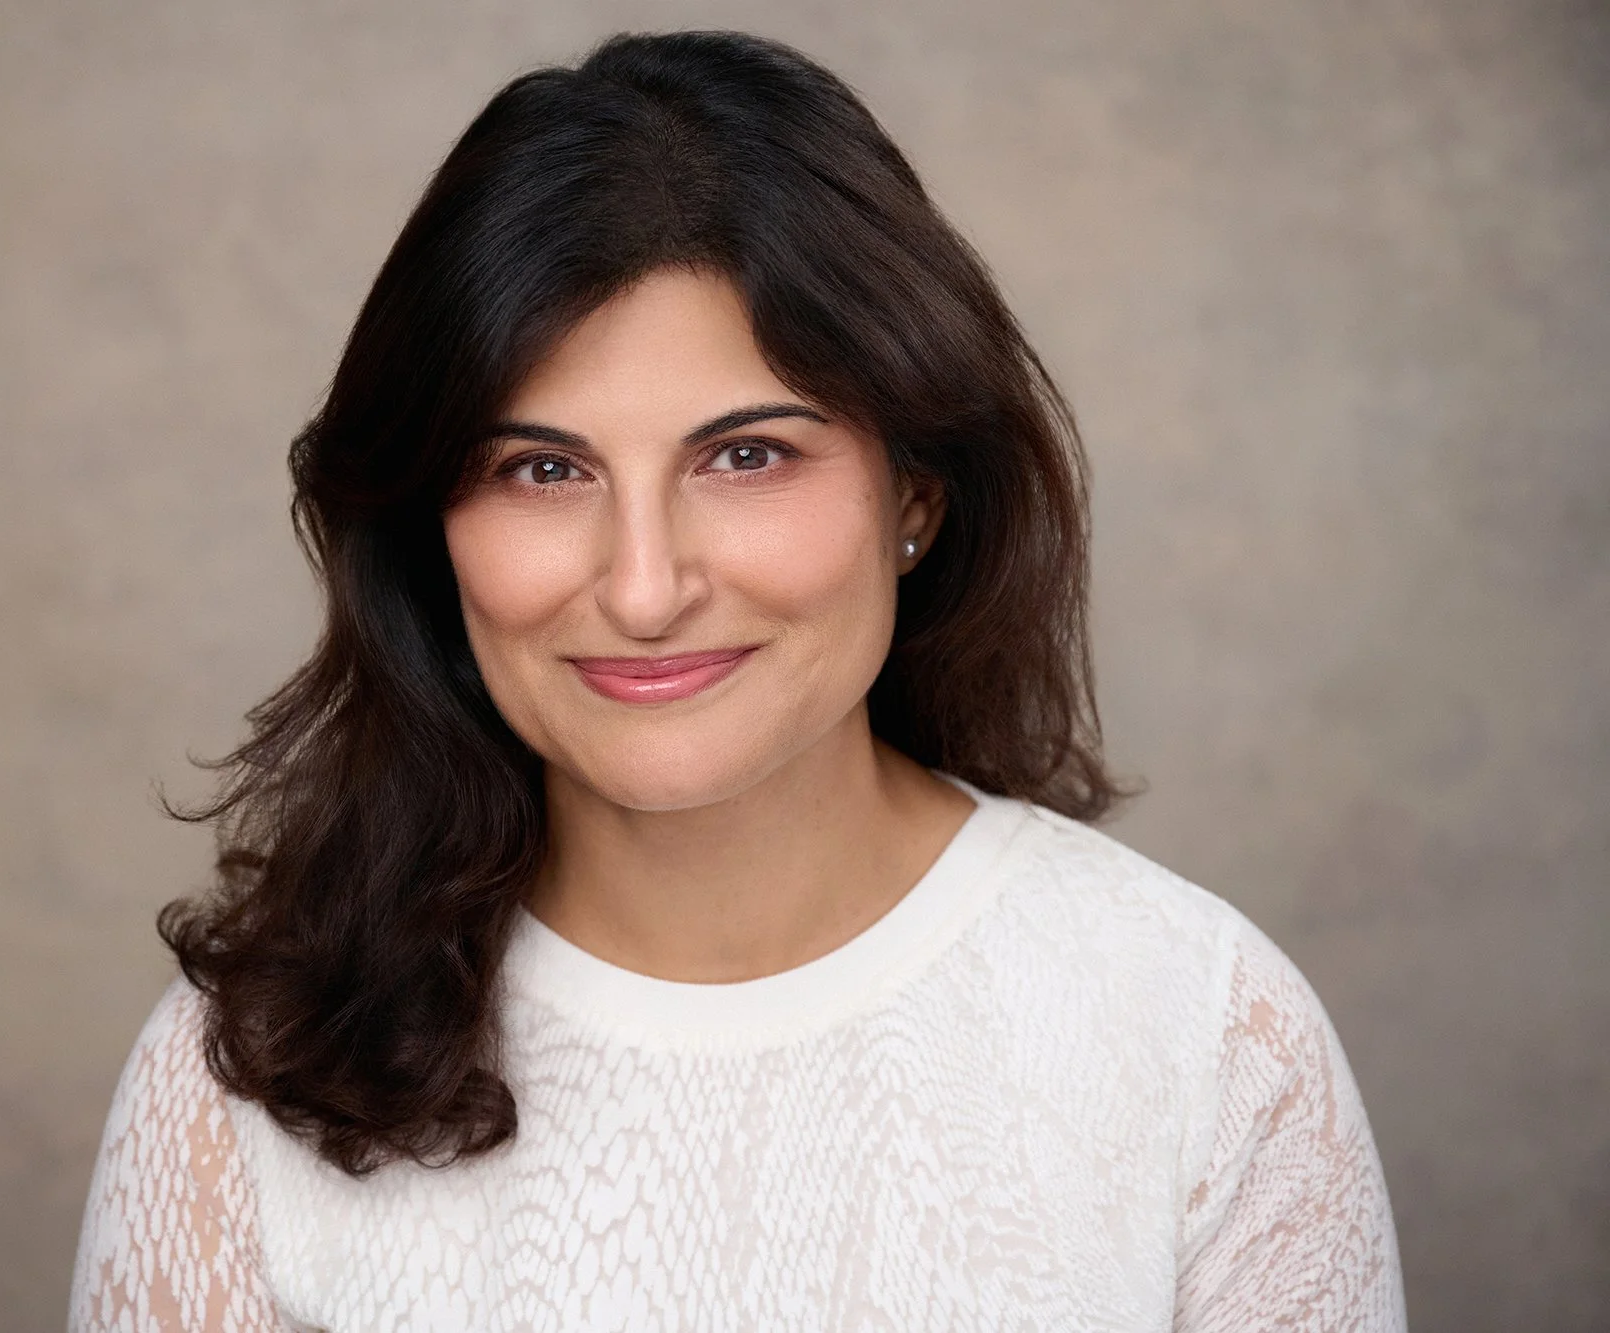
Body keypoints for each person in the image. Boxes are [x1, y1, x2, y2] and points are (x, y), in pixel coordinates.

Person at [69, 28, 1405, 1332]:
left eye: (748, 457)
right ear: (431, 528)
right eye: (543, 470)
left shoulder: (1206, 1036)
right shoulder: (241, 1082)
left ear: (917, 497)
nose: (645, 588)